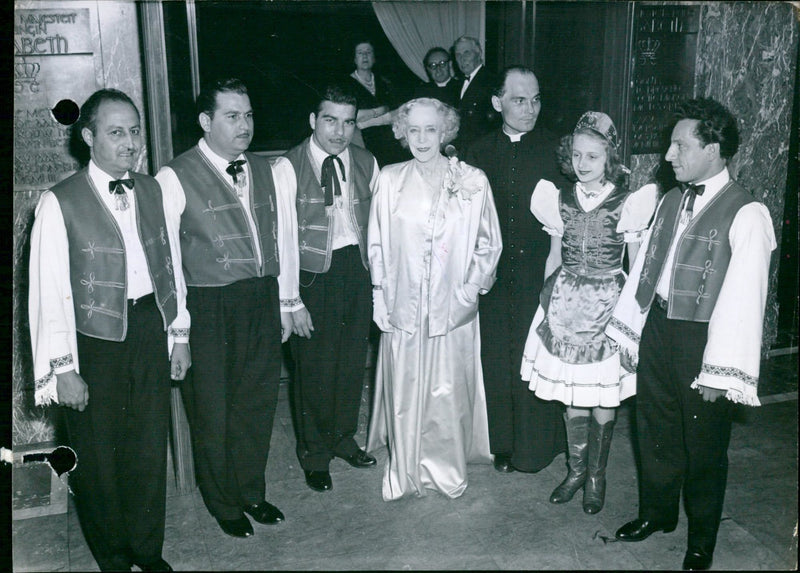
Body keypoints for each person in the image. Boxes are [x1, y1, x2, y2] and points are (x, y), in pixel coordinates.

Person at [608, 98, 776, 570]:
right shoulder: (669, 199)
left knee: (704, 444)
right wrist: (630, 330)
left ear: (714, 148)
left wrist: (719, 370)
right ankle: (657, 514)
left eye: (680, 145)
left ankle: (701, 538)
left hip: (705, 339)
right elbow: (645, 267)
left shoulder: (747, 214)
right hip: (659, 327)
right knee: (654, 427)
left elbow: (744, 302)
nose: (668, 154)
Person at [28, 88, 191, 572]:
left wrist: (178, 334)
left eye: (134, 131)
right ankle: (114, 555)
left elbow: (171, 263)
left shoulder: (153, 188)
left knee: (146, 447)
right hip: (93, 342)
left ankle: (147, 548)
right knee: (97, 459)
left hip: (148, 328)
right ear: (89, 136)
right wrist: (62, 369)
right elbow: (47, 291)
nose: (129, 142)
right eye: (116, 132)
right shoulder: (59, 202)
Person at [155, 78, 301, 539]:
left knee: (256, 402)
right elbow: (169, 262)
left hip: (259, 296)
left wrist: (285, 302)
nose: (245, 125)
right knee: (213, 409)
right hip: (208, 302)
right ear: (206, 121)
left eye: (249, 115)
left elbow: (284, 241)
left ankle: (251, 491)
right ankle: (222, 501)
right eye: (232, 116)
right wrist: (178, 331)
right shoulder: (174, 176)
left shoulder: (268, 169)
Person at [520, 111, 658, 514]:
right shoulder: (558, 198)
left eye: (592, 157)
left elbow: (635, 266)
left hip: (607, 306)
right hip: (564, 303)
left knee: (603, 395)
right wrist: (545, 304)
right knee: (572, 395)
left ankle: (597, 476)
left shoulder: (628, 202)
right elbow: (552, 258)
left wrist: (634, 317)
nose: (582, 164)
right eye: (577, 155)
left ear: (609, 159)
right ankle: (576, 470)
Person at [366, 98, 502, 500]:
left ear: (445, 133)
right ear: (402, 134)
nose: (422, 139)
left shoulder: (472, 179)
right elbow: (377, 242)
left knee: (447, 390)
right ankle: (405, 469)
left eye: (430, 130)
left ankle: (446, 469)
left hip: (451, 306)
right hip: (402, 302)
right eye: (414, 130)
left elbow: (488, 243)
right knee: (406, 387)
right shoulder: (390, 178)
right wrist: (379, 294)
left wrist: (469, 289)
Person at [463, 66, 568, 474]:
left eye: (536, 99)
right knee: (496, 353)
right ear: (497, 103)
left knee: (534, 353)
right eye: (520, 100)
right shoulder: (478, 151)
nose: (530, 109)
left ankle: (538, 446)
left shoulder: (555, 151)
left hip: (540, 268)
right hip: (492, 271)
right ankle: (502, 444)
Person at [283, 85, 380, 493]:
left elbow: (378, 225)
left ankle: (342, 439)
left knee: (351, 360)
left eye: (348, 122)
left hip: (355, 269)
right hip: (311, 276)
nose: (339, 132)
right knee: (313, 370)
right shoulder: (289, 166)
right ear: (312, 120)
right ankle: (315, 453)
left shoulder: (366, 161)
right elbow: (282, 239)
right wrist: (291, 300)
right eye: (330, 120)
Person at [346, 40, 406, 166]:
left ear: (374, 58)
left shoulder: (385, 82)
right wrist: (380, 112)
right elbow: (350, 116)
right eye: (360, 53)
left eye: (368, 52)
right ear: (354, 59)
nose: (365, 56)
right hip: (362, 144)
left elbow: (397, 113)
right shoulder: (346, 85)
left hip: (391, 141)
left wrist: (367, 120)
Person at [451, 35, 499, 151]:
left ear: (479, 54)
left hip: (481, 151)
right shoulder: (456, 84)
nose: (462, 59)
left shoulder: (492, 82)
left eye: (467, 53)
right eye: (458, 55)